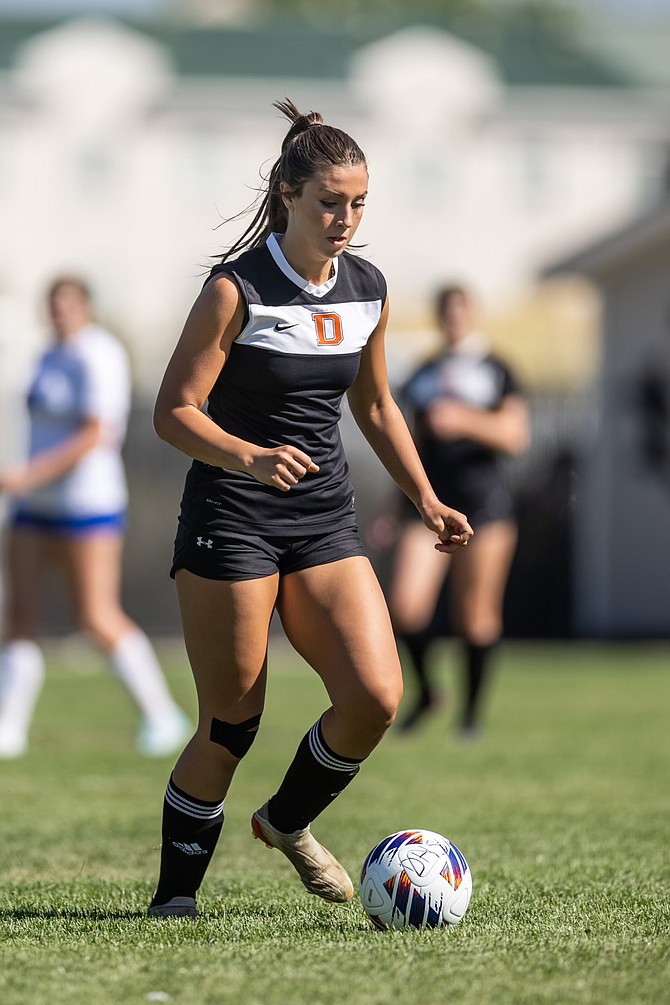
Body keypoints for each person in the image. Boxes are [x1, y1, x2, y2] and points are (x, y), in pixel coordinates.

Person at [146, 99, 473, 920]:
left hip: (323, 518)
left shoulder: (368, 288)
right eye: (331, 202)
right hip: (232, 513)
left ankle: (285, 823)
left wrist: (426, 496)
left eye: (359, 204)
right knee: (231, 724)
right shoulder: (235, 289)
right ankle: (175, 899)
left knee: (375, 694)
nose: (346, 219)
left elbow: (377, 407)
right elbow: (173, 411)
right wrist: (248, 455)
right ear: (288, 193)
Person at [0, 277, 191, 759]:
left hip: (88, 504)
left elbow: (96, 435)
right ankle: (10, 728)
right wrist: (28, 486)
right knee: (20, 616)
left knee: (95, 615)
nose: (58, 312)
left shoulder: (99, 354)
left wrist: (27, 476)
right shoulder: (47, 355)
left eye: (67, 304)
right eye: (52, 305)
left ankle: (162, 715)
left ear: (86, 307)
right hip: (34, 508)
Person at [387, 284, 530, 736]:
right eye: (446, 311)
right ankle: (428, 691)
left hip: (485, 503)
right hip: (430, 506)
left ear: (473, 314)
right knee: (406, 607)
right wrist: (395, 506)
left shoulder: (496, 369)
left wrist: (465, 419)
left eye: (461, 310)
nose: (454, 319)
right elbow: (406, 442)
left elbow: (514, 436)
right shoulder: (424, 372)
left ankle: (470, 718)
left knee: (476, 615)